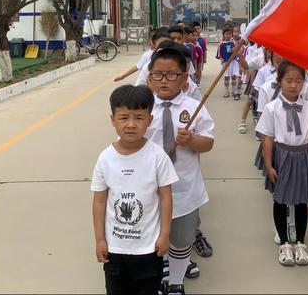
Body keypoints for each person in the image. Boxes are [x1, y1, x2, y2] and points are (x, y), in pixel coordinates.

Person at [91, 85, 179, 295]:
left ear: (150, 119)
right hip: (115, 248)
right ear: (113, 119)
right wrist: (100, 239)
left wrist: (164, 234)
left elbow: (166, 197)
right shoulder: (105, 158)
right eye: (124, 117)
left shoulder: (158, 156)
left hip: (148, 248)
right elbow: (99, 201)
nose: (131, 124)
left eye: (139, 117)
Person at [146, 48, 215, 295]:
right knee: (154, 236)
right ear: (149, 77)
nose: (164, 80)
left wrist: (192, 140)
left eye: (171, 75)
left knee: (182, 238)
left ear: (185, 77)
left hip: (184, 189)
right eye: (158, 75)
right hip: (150, 190)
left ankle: (176, 281)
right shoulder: (142, 108)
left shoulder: (194, 107)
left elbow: (208, 143)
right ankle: (162, 270)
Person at [256, 60, 308, 267]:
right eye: (289, 80)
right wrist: (269, 164)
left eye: (298, 81)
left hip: (302, 156)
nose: (294, 85)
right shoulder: (272, 108)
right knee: (280, 200)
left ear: (304, 83)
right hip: (282, 156)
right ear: (279, 81)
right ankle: (284, 243)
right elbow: (267, 137)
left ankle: (300, 242)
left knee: (301, 201)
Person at [216, 25, 237, 98]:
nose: (228, 35)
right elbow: (219, 54)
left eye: (229, 34)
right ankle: (227, 91)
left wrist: (234, 51)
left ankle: (234, 91)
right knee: (226, 77)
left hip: (233, 62)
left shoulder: (233, 43)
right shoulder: (221, 44)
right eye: (226, 34)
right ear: (223, 35)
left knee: (234, 76)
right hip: (225, 63)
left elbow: (236, 52)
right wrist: (222, 60)